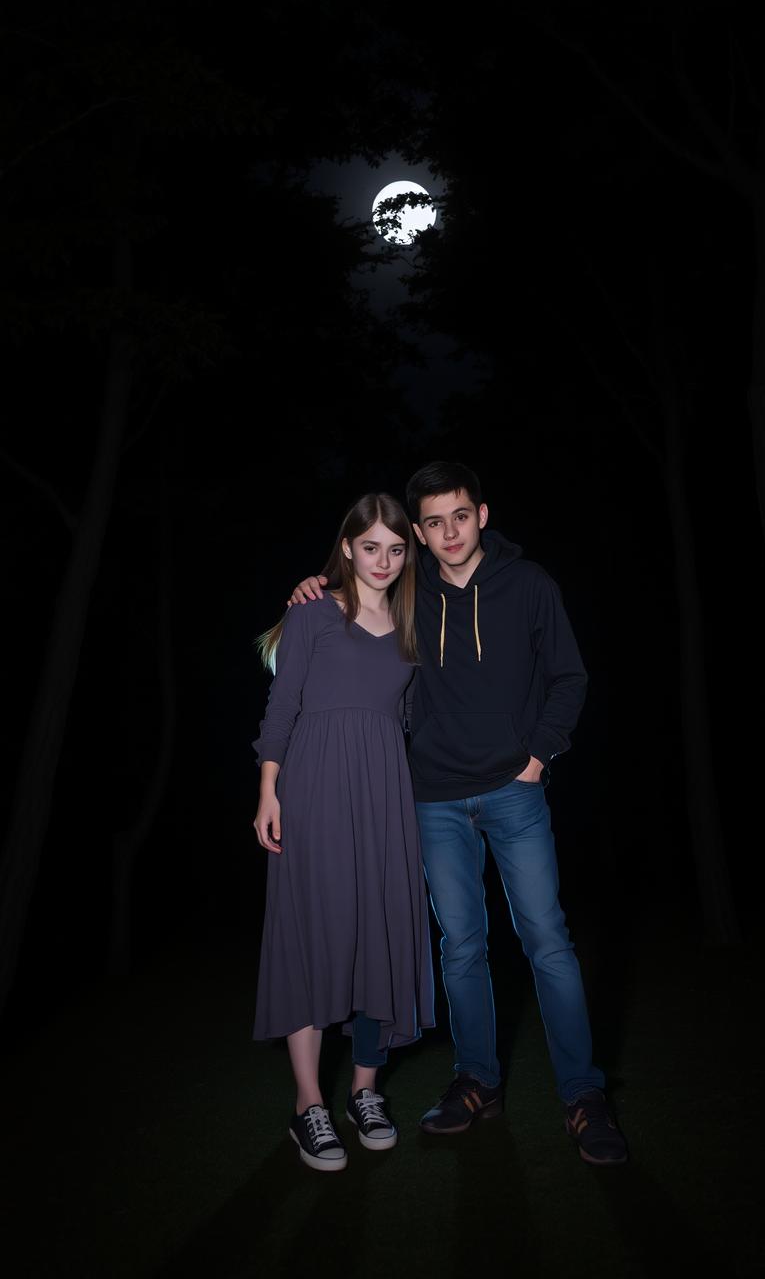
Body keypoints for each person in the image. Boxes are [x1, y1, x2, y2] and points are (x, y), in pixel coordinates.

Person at [288, 461, 628, 1166]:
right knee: (462, 947)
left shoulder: (530, 586)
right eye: (433, 522)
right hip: (432, 797)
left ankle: (583, 1094)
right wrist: (316, 585)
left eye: (460, 516)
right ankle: (476, 1081)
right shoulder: (408, 588)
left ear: (483, 515)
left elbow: (570, 677)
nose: (449, 531)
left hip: (515, 789)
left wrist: (538, 757)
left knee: (548, 941)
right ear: (418, 532)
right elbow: (355, 602)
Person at [252, 492, 434, 1173]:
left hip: (385, 796)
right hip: (314, 786)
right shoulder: (313, 612)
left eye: (395, 549)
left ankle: (365, 1092)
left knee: (378, 936)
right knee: (311, 932)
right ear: (348, 548)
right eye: (370, 547)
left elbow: (414, 719)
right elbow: (283, 703)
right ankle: (308, 1105)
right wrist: (269, 790)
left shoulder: (416, 622)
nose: (383, 561)